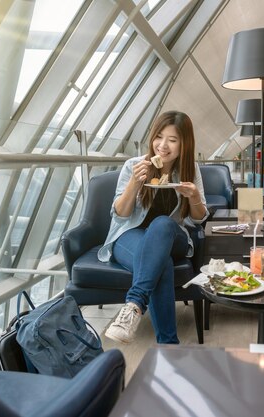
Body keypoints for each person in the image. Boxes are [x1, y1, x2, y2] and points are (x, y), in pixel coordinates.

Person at [99, 111, 208, 344]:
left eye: (172, 139)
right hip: (129, 236)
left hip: (173, 236)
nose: (163, 146)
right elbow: (120, 215)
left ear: (184, 143)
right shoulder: (133, 166)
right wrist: (134, 183)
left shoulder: (190, 170)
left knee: (162, 223)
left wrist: (194, 197)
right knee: (161, 263)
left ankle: (135, 302)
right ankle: (168, 345)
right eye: (159, 137)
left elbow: (198, 219)